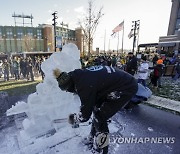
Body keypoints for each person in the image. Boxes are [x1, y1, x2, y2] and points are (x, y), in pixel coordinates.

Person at [53, 65, 138, 153]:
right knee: (97, 110)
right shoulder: (76, 76)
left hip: (126, 87)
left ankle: (102, 149)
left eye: (66, 89)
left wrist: (74, 119)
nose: (68, 91)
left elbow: (85, 116)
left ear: (69, 85)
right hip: (116, 83)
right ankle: (92, 138)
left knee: (100, 117)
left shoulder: (83, 85)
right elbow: (91, 101)